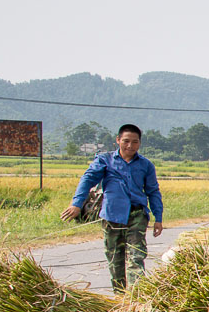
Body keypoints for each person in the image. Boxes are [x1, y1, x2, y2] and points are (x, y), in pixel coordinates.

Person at [60, 123, 163, 292]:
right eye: (126, 141)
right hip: (111, 216)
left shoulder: (146, 165)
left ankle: (136, 297)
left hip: (137, 215)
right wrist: (77, 204)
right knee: (115, 258)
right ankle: (120, 296)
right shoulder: (104, 161)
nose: (130, 146)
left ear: (140, 143)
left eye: (135, 142)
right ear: (118, 140)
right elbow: (87, 180)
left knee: (136, 257)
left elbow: (153, 191)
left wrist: (158, 218)